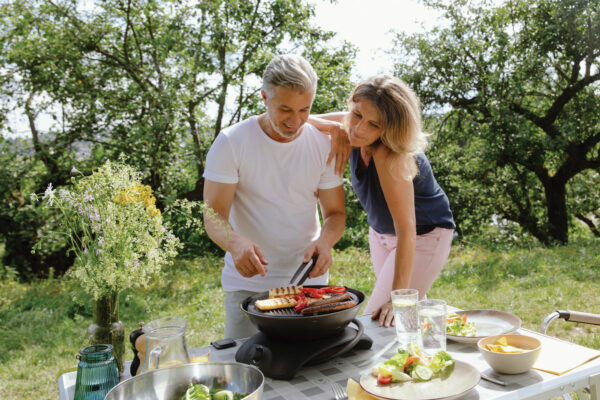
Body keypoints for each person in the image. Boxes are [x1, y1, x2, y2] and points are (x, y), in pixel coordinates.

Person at [202, 54, 346, 339]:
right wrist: (235, 243)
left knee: (312, 371)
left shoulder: (322, 145)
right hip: (247, 285)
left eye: (305, 110)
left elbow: (335, 214)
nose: (295, 121)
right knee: (245, 372)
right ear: (264, 97)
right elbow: (212, 214)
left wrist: (325, 242)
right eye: (285, 110)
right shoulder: (232, 142)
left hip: (309, 283)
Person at [310, 75, 455, 328]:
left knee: (381, 319)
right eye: (356, 115)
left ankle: (408, 358)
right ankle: (422, 359)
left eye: (373, 125)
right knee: (405, 319)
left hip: (423, 237)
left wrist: (398, 298)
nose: (358, 129)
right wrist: (336, 128)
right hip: (379, 234)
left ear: (390, 129)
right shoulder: (353, 123)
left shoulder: (392, 157)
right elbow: (304, 121)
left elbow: (407, 230)